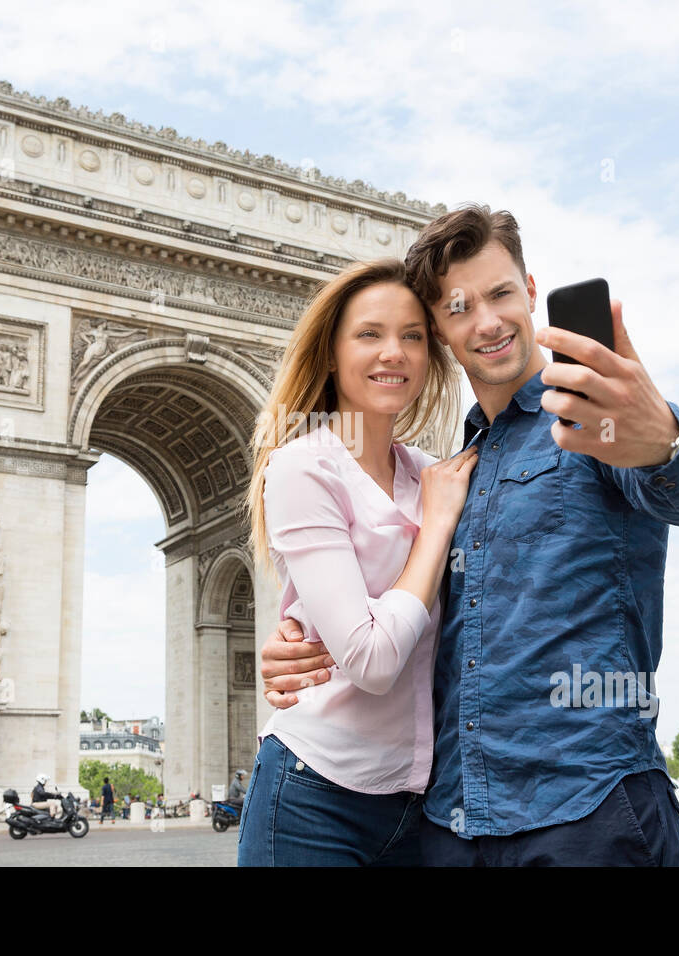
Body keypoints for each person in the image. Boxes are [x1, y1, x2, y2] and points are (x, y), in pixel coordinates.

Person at [261, 204, 679, 866]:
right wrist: (304, 648)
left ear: (531, 292)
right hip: (452, 824)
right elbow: (397, 619)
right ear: (442, 333)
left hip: (586, 810)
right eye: (458, 308)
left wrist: (667, 443)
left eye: (501, 294)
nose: (486, 321)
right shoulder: (443, 474)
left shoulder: (595, 420)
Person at [235, 257, 472, 868]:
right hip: (314, 797)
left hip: (424, 804)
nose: (393, 352)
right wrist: (436, 527)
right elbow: (370, 660)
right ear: (332, 353)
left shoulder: (433, 473)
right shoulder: (302, 467)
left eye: (413, 336)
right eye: (369, 333)